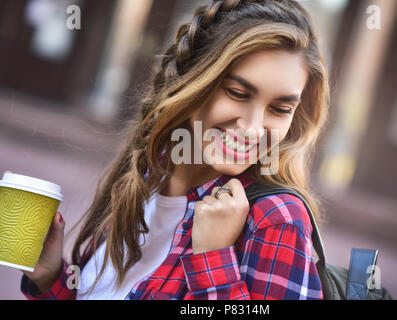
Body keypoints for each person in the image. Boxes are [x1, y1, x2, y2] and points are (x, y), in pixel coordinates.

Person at [19, 0, 329, 300]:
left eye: (280, 108)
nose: (252, 128)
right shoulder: (145, 176)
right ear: (192, 79)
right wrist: (49, 279)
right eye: (237, 93)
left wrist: (214, 261)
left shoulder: (275, 220)